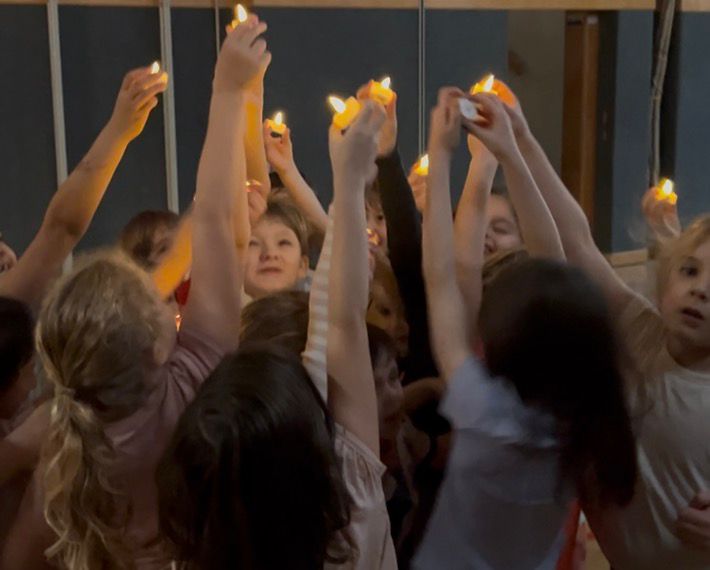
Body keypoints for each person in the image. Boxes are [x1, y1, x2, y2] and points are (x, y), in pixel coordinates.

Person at [0, 19, 263, 569]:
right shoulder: (194, 385)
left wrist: (230, 92)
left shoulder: (63, 460)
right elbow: (220, 223)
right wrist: (229, 91)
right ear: (158, 345)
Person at [158, 100, 397, 569]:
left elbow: (336, 325)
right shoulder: (354, 503)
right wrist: (349, 182)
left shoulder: (197, 542)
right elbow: (343, 323)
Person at [412, 88, 636, 570]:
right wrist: (508, 154)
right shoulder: (583, 418)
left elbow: (444, 277)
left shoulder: (483, 408)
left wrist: (442, 154)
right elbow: (552, 257)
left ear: (497, 337)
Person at [496, 75, 710, 569]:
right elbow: (575, 243)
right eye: (690, 271)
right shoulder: (642, 330)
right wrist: (522, 142)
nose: (701, 289)